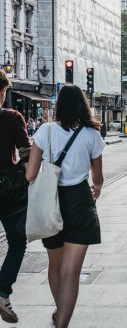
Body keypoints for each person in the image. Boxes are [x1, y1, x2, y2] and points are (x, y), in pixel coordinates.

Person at [26, 84, 105, 328]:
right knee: (72, 272)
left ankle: (60, 310)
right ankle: (62, 323)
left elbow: (30, 175)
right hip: (80, 201)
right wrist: (98, 188)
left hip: (51, 201)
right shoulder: (92, 134)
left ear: (59, 105)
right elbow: (98, 177)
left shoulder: (45, 131)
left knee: (55, 264)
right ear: (83, 104)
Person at [0, 70, 30, 323]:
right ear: (2, 91)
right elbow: (27, 154)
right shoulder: (11, 117)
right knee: (17, 242)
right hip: (7, 191)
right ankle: (2, 291)